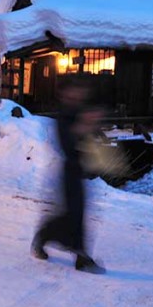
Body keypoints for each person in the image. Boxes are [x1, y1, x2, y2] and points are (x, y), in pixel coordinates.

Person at [30, 79, 106, 274]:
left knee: (78, 213)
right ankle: (44, 236)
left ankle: (79, 256)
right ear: (65, 94)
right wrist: (83, 125)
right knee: (71, 213)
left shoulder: (77, 111)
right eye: (74, 91)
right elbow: (67, 142)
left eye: (80, 91)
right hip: (69, 170)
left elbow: (87, 136)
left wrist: (91, 125)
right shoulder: (63, 115)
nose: (78, 95)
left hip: (80, 169)